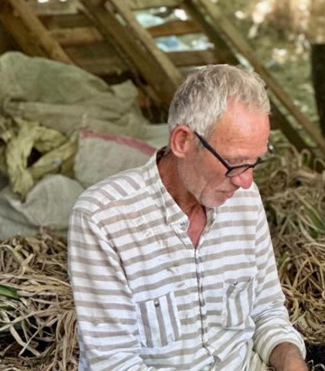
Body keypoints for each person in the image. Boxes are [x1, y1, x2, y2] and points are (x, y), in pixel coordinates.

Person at [68, 65, 308, 371]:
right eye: (234, 162)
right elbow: (114, 363)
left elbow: (267, 311)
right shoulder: (103, 218)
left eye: (254, 162)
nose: (246, 181)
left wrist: (291, 361)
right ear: (182, 141)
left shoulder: (245, 200)